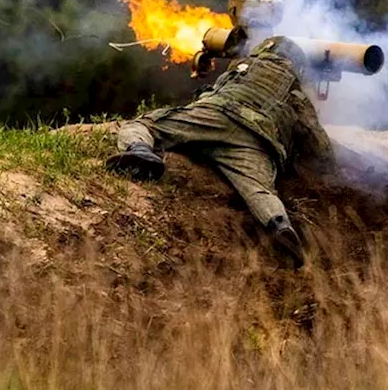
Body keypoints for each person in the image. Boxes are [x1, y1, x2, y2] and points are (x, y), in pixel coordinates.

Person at [105, 36, 336, 267]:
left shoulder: (243, 65)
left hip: (213, 116)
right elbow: (320, 150)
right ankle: (279, 225)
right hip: (255, 141)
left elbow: (214, 93)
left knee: (146, 124)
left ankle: (141, 151)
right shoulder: (297, 94)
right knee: (260, 190)